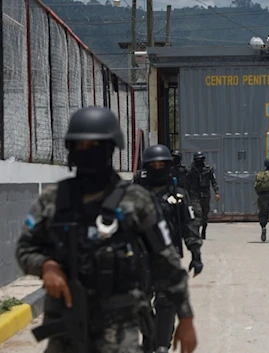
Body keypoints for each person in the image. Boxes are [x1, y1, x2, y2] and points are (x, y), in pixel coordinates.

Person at [14, 106, 197, 353]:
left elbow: (167, 260)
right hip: (66, 320)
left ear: (111, 148)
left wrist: (185, 318)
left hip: (119, 324)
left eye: (96, 146)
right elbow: (26, 247)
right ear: (71, 150)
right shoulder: (52, 200)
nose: (89, 152)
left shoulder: (135, 201)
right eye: (82, 146)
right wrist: (46, 265)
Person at [138, 144, 204, 353]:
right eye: (153, 164)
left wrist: (195, 253)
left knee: (166, 305)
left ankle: (161, 345)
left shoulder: (179, 196)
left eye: (161, 164)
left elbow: (189, 226)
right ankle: (150, 337)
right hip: (139, 261)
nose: (158, 168)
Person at [187, 151, 220, 239]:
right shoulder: (191, 170)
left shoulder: (208, 169)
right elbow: (187, 183)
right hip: (195, 194)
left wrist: (216, 192)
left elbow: (213, 181)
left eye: (200, 159)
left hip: (205, 194)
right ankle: (196, 232)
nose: (199, 161)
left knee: (205, 214)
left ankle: (204, 229)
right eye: (197, 159)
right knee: (198, 213)